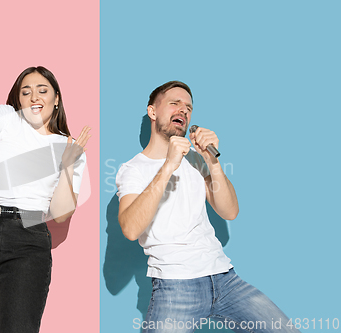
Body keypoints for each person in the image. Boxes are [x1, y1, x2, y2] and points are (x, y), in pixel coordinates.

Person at [116, 81, 299, 333]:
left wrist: (212, 162)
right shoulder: (133, 169)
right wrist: (168, 166)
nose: (183, 110)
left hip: (224, 278)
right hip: (175, 284)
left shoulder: (195, 160)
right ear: (152, 111)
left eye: (188, 107)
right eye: (174, 103)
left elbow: (230, 211)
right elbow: (130, 229)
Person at [0, 40, 90, 333]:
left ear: (56, 99)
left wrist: (68, 162)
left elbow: (60, 214)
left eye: (42, 90)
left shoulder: (68, 147)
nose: (34, 96)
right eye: (26, 91)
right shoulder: (6, 117)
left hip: (26, 239)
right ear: (18, 100)